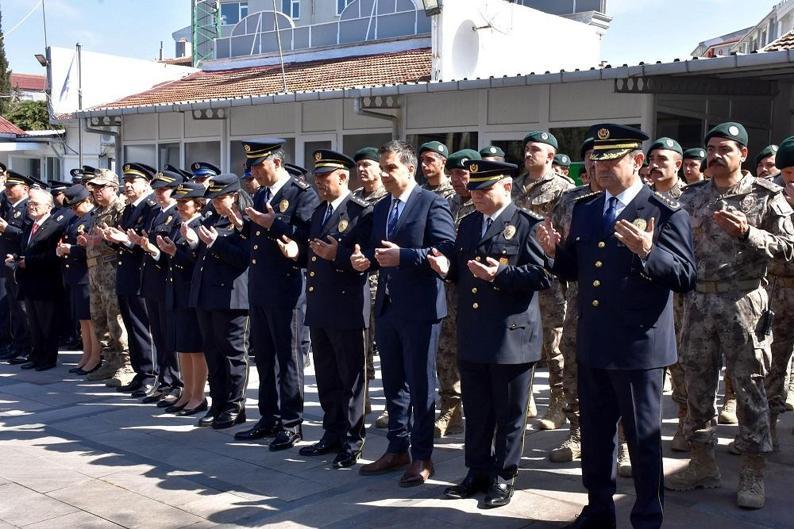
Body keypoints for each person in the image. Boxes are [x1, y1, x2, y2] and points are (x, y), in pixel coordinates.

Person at [537, 123, 696, 529]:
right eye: (595, 160)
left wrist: (647, 251)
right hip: (593, 341)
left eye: (611, 159)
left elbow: (684, 275)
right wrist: (555, 253)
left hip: (637, 344)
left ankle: (646, 516)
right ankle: (599, 509)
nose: (600, 167)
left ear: (638, 161)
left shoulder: (664, 212)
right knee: (595, 434)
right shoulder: (588, 209)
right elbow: (576, 270)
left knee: (642, 439)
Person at [667, 122, 794, 510]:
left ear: (743, 153)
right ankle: (702, 462)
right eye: (711, 148)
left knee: (750, 385)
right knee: (696, 383)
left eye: (725, 148)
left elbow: (790, 250)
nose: (716, 154)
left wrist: (749, 235)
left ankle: (753, 471)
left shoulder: (766, 196)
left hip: (744, 301)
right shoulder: (692, 198)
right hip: (698, 303)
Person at [430, 159, 550, 508]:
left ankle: (504, 475)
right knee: (477, 409)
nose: (477, 196)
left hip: (511, 336)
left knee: (509, 414)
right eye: (474, 190)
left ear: (507, 187)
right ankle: (477, 471)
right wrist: (446, 268)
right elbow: (461, 271)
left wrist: (499, 274)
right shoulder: (467, 224)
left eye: (485, 190)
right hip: (474, 332)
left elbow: (540, 276)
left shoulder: (527, 224)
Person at [352, 140, 456, 487]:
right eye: (382, 167)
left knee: (421, 384)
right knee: (393, 383)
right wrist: (363, 259)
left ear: (410, 168)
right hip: (388, 306)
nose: (384, 173)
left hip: (421, 308)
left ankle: (423, 455)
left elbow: (445, 249)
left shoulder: (432, 202)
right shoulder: (382, 207)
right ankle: (397, 448)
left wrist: (407, 256)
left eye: (390, 167)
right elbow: (376, 248)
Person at [278, 149, 373, 468]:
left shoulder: (361, 212)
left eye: (324, 177)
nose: (319, 183)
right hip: (319, 305)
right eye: (316, 177)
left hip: (347, 306)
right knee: (327, 375)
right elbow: (314, 254)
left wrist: (340, 257)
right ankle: (332, 433)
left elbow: (367, 261)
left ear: (343, 177)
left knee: (351, 377)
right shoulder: (319, 211)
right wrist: (297, 252)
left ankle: (352, 439)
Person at [233, 139, 319, 450]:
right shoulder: (260, 193)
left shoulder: (300, 193)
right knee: (265, 359)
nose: (255, 171)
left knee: (289, 359)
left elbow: (308, 236)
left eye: (259, 165)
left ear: (277, 163)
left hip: (286, 289)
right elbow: (254, 239)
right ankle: (268, 417)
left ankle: (292, 422)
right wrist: (240, 221)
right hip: (260, 287)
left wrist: (274, 223)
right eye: (252, 166)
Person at [512, 130, 572, 426]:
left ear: (550, 156)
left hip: (550, 276)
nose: (528, 153)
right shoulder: (514, 186)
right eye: (526, 148)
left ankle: (559, 404)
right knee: (520, 336)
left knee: (554, 343)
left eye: (534, 149)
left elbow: (566, 232)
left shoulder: (563, 188)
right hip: (518, 273)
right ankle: (526, 401)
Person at [547, 137, 600, 464]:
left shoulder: (629, 200)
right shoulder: (570, 200)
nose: (597, 164)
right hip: (577, 299)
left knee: (614, 372)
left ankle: (620, 442)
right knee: (573, 362)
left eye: (603, 157)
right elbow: (561, 249)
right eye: (591, 158)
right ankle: (578, 432)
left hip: (614, 300)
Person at [189, 173, 251, 429]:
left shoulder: (244, 221)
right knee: (212, 352)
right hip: (207, 295)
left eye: (220, 198)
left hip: (232, 297)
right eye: (212, 198)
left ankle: (235, 406)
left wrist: (215, 243)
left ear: (234, 196)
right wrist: (194, 243)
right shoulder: (212, 218)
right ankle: (218, 402)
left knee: (233, 355)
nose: (214, 202)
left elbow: (242, 258)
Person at [434, 148, 480, 438]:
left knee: (472, 351)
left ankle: (475, 408)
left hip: (476, 289)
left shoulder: (483, 203)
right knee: (445, 350)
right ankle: (450, 408)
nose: (456, 179)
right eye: (451, 174)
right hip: (446, 289)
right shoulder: (444, 203)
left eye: (462, 173)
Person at [102, 163, 158, 397]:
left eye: (133, 181)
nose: (128, 185)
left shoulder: (150, 207)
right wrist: (112, 238)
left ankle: (150, 374)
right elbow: (124, 239)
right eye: (126, 181)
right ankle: (140, 371)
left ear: (146, 183)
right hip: (126, 275)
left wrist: (124, 240)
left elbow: (146, 243)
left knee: (143, 328)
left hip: (141, 275)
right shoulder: (129, 208)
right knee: (132, 327)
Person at [130, 166, 185, 403]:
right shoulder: (155, 213)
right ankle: (163, 381)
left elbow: (174, 252)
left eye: (164, 189)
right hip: (151, 282)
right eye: (157, 189)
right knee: (160, 336)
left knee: (170, 336)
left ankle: (175, 383)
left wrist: (151, 249)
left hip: (167, 283)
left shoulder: (178, 214)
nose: (158, 193)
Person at [156, 181, 208, 414]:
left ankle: (198, 395)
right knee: (183, 347)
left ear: (198, 204)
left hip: (191, 293)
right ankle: (187, 392)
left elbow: (198, 262)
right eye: (177, 202)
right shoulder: (180, 224)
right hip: (176, 291)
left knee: (195, 348)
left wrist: (176, 251)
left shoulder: (200, 225)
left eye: (184, 202)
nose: (179, 207)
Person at [81, 170, 131, 386]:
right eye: (94, 188)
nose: (96, 191)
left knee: (115, 319)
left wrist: (101, 240)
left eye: (101, 187)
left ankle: (126, 364)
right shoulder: (97, 211)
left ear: (113, 187)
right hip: (95, 272)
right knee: (99, 319)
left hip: (112, 272)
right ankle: (110, 360)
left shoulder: (120, 208)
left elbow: (123, 240)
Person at [7, 187, 67, 371]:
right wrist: (16, 258)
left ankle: (48, 358)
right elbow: (27, 249)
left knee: (47, 322)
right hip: (29, 282)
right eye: (29, 204)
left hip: (46, 283)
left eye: (35, 204)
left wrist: (28, 262)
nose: (31, 207)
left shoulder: (54, 227)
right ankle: (36, 355)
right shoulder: (30, 225)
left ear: (48, 207)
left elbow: (53, 255)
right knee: (33, 321)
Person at [351, 146, 388, 421]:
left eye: (367, 164)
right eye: (359, 166)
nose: (362, 170)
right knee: (360, 346)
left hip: (383, 282)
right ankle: (361, 403)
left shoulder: (388, 198)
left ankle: (391, 404)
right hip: (358, 280)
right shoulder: (353, 199)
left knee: (386, 346)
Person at [57, 185, 101, 375]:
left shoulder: (93, 218)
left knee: (90, 319)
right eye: (71, 206)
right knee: (83, 319)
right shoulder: (76, 219)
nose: (73, 209)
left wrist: (70, 249)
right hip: (75, 274)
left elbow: (92, 247)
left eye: (76, 205)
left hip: (87, 273)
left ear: (87, 201)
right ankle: (87, 353)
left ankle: (95, 356)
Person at [0, 171, 32, 365]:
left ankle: (27, 347)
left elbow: (27, 235)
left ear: (25, 189)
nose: (8, 190)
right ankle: (17, 345)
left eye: (13, 186)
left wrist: (7, 229)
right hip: (8, 264)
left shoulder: (28, 207)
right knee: (13, 307)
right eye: (7, 186)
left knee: (22, 308)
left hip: (20, 263)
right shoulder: (11, 207)